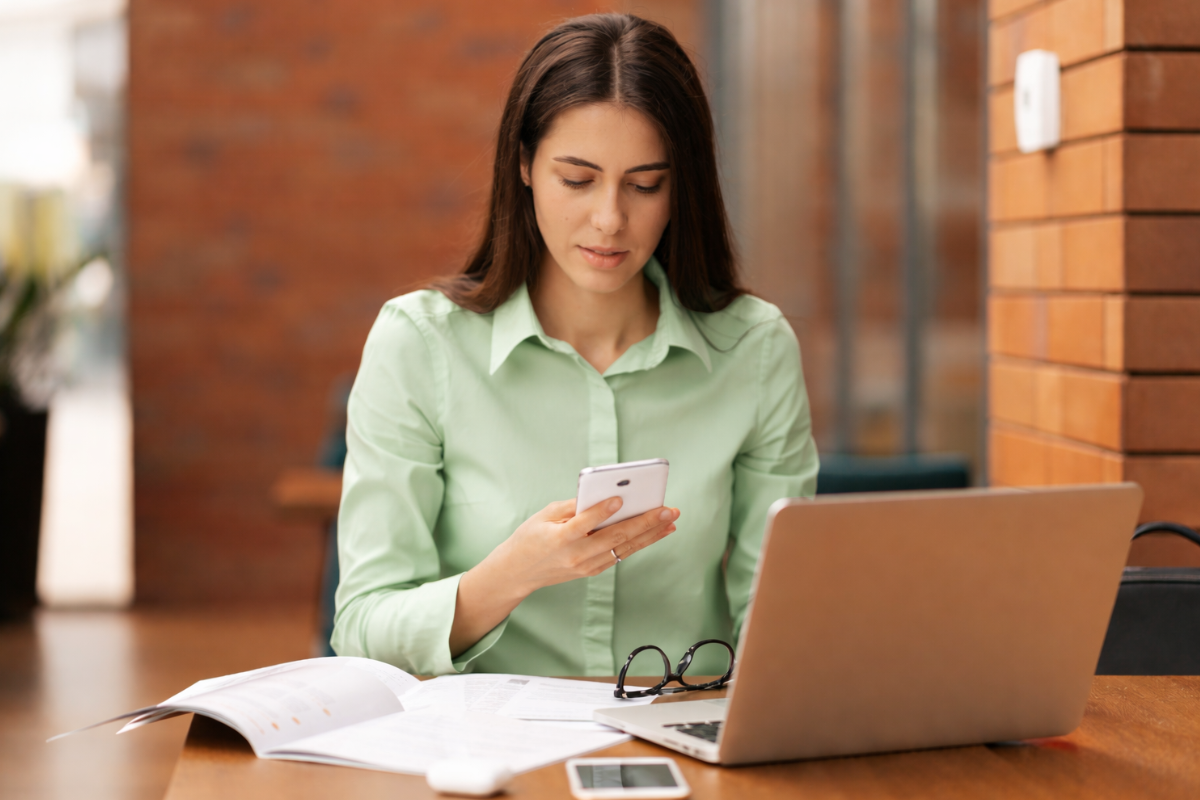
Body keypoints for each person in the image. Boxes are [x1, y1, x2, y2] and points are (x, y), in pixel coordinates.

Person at [332, 13, 819, 678]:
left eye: (646, 184)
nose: (611, 218)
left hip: (686, 742)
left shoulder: (755, 351)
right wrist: (508, 575)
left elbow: (784, 617)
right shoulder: (419, 345)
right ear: (525, 165)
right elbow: (362, 629)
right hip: (484, 751)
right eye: (578, 179)